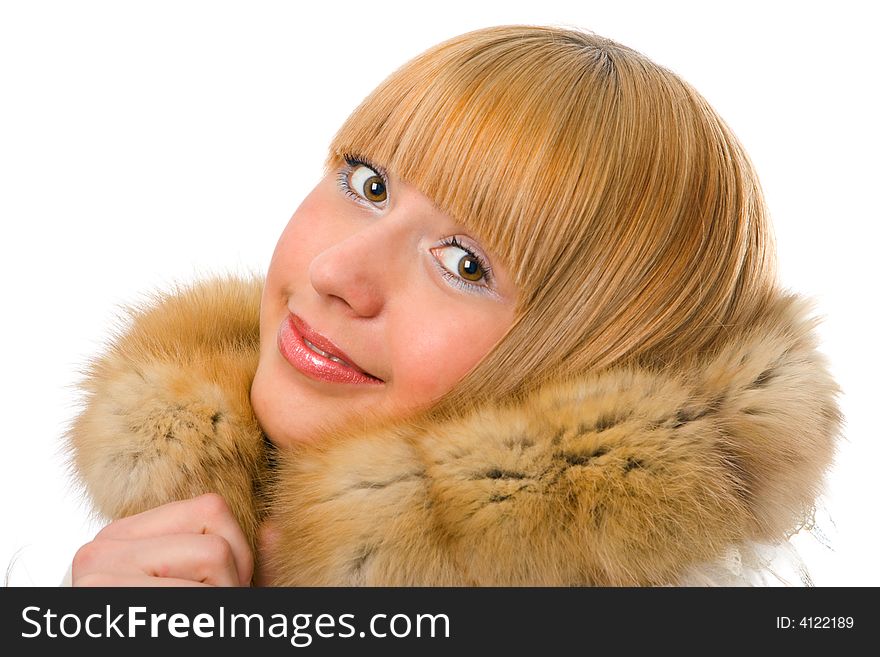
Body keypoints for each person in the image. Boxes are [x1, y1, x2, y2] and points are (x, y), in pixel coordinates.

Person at [65, 24, 844, 586]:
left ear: (592, 386)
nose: (338, 271)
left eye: (466, 263)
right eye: (367, 185)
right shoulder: (162, 560)